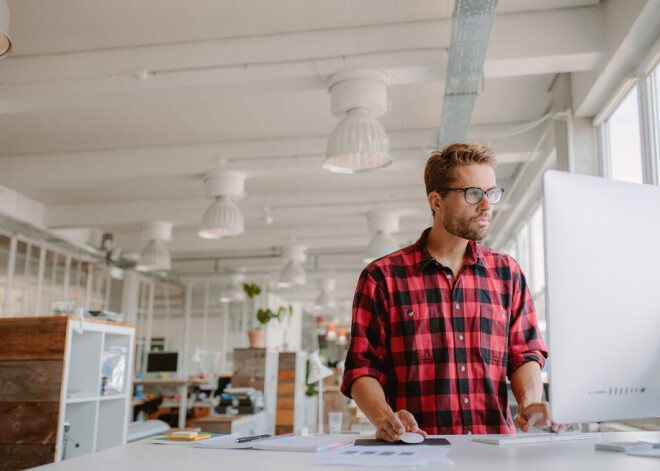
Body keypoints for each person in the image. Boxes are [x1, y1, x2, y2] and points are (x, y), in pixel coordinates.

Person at [340, 143, 570, 442]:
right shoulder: (382, 277)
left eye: (492, 193)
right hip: (417, 452)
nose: (486, 205)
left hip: (494, 453)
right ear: (436, 201)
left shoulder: (507, 273)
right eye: (473, 193)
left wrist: (529, 402)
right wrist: (386, 418)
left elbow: (524, 353)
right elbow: (362, 367)